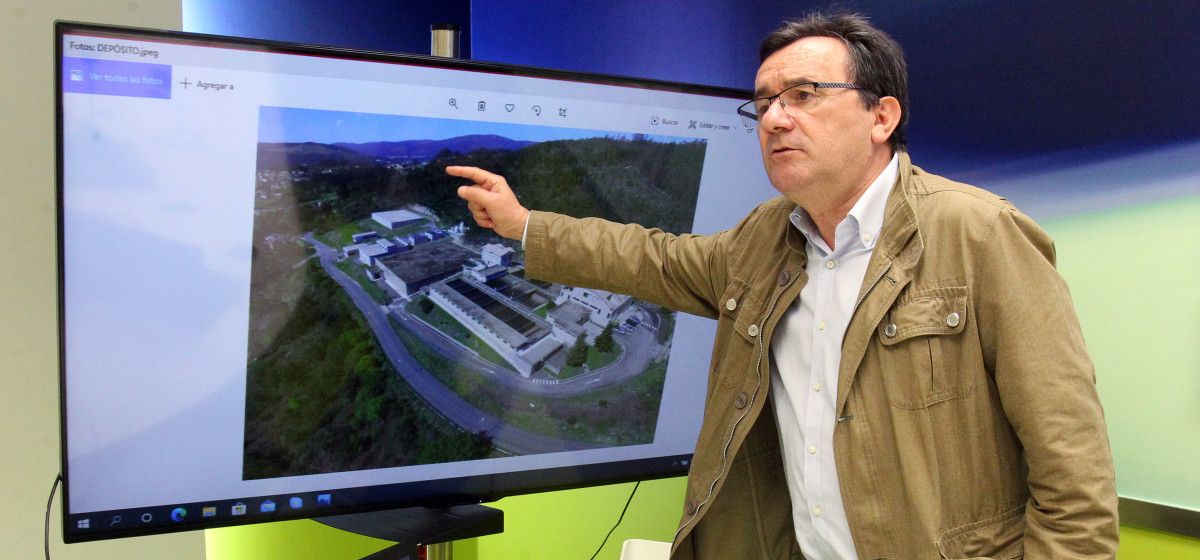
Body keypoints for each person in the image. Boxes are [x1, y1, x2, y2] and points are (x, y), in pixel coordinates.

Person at [448, 12, 1118, 560]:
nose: (773, 119)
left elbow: (1074, 476)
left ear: (881, 117)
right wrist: (525, 224)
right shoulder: (764, 241)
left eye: (803, 95)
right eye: (764, 103)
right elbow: (650, 259)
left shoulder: (978, 234)